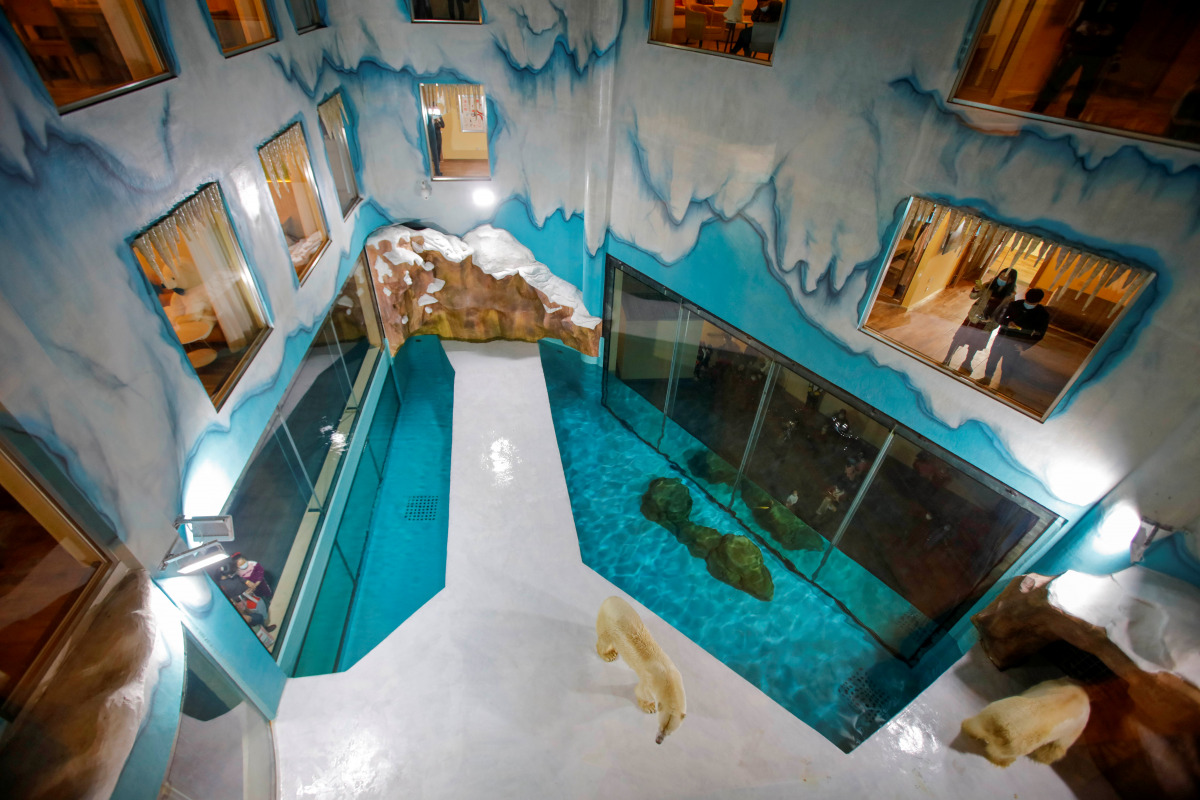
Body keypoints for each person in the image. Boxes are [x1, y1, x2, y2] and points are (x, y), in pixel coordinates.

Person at [1029, 0, 1143, 120]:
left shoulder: (1128, 6)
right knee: (1064, 80)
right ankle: (1043, 109)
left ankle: (1067, 114)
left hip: (1098, 48)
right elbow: (1083, 14)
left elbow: (1125, 24)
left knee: (1081, 84)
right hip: (1084, 45)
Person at [942, 268, 1018, 375]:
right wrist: (976, 289)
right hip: (974, 317)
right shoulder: (988, 285)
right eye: (1001, 276)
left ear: (1011, 281)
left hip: (989, 323)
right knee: (959, 338)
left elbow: (1005, 311)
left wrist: (992, 319)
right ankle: (947, 359)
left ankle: (967, 362)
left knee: (975, 343)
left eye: (1005, 278)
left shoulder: (1010, 295)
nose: (1002, 279)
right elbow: (972, 296)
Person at [983, 288, 1050, 390]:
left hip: (1017, 342)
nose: (1028, 304)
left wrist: (1024, 346)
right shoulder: (1014, 305)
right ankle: (986, 378)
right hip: (1002, 337)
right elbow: (999, 317)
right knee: (992, 359)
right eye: (1027, 302)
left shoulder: (1042, 314)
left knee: (1008, 365)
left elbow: (1039, 334)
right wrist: (1008, 323)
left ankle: (1002, 386)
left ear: (1039, 302)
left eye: (1031, 304)